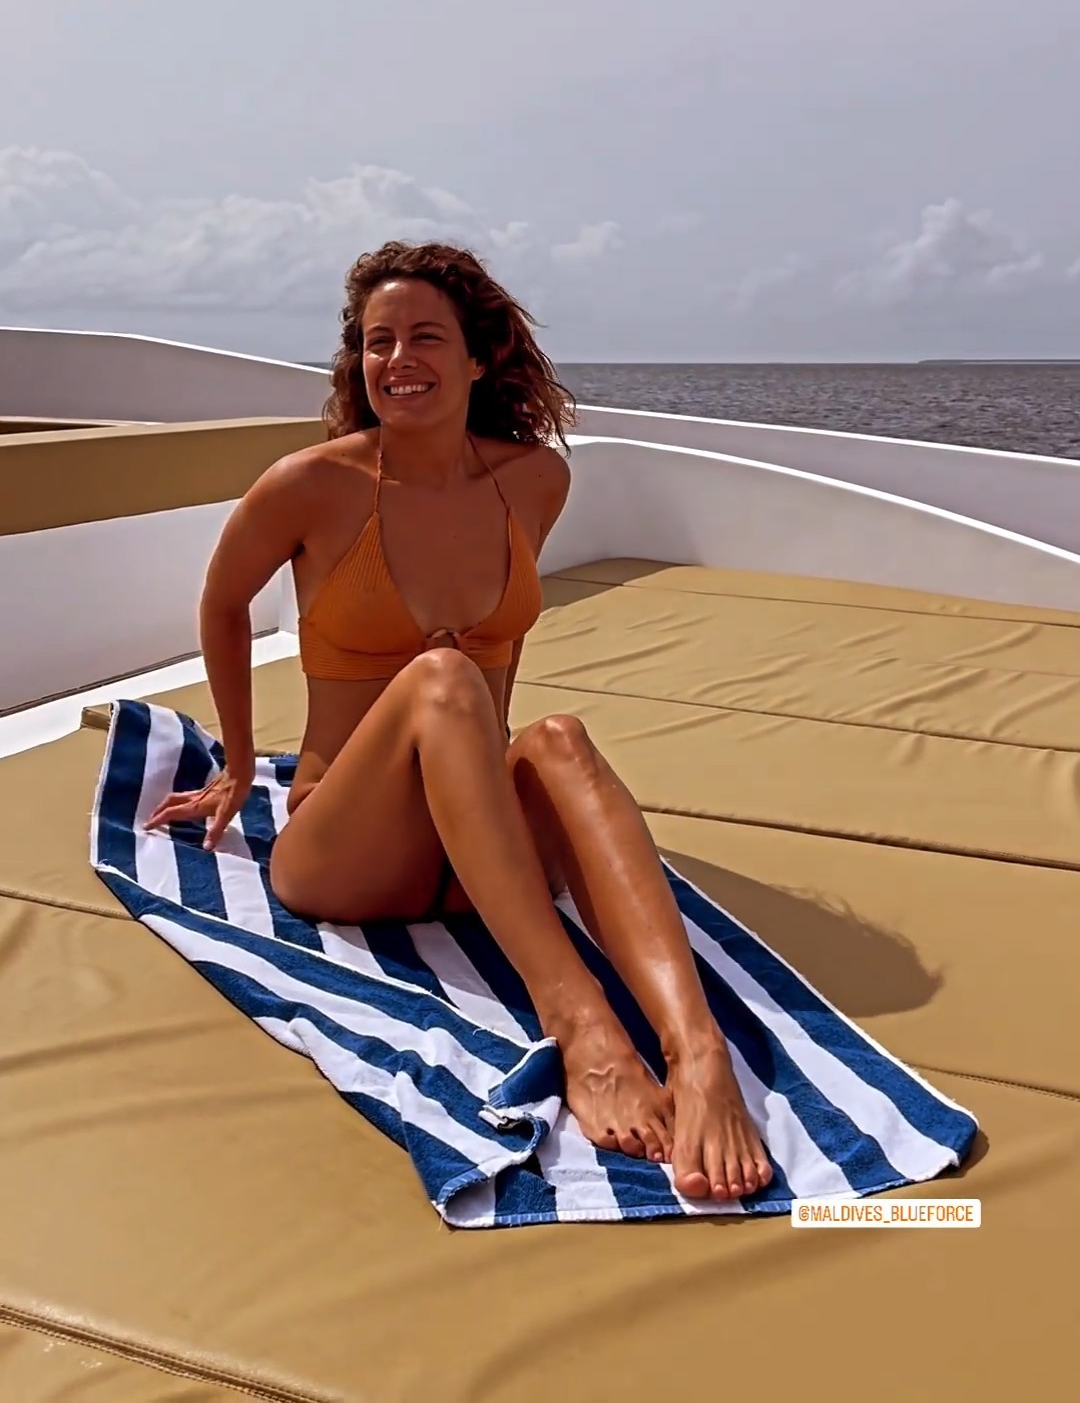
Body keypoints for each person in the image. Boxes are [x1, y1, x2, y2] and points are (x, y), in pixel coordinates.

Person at [147, 241, 771, 1203]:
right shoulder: (312, 484)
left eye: (425, 337)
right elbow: (222, 603)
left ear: (479, 357)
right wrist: (237, 760)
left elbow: (506, 662)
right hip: (348, 853)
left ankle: (699, 1054)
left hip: (485, 863)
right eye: (377, 341)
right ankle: (582, 1027)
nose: (398, 359)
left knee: (556, 738)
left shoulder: (536, 481)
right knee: (443, 678)